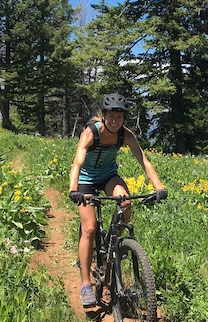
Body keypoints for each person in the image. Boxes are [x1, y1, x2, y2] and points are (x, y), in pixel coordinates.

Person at [68, 93, 167, 307]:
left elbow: (144, 160)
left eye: (119, 117)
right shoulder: (90, 133)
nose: (115, 121)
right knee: (89, 229)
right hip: (86, 180)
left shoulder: (126, 135)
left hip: (108, 177)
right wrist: (73, 189)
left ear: (124, 119)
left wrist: (159, 187)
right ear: (103, 116)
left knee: (126, 203)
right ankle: (86, 284)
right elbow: (77, 163)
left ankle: (115, 241)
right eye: (111, 116)